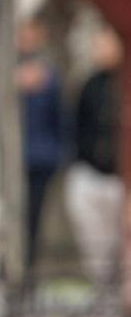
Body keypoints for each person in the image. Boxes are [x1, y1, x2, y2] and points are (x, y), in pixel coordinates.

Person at [64, 27, 123, 292]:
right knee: (95, 246)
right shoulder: (90, 83)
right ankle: (103, 294)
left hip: (120, 179)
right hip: (89, 172)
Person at [16, 17, 64, 271]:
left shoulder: (48, 75)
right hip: (14, 160)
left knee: (33, 221)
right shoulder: (7, 70)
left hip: (39, 158)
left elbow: (58, 119)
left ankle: (28, 273)